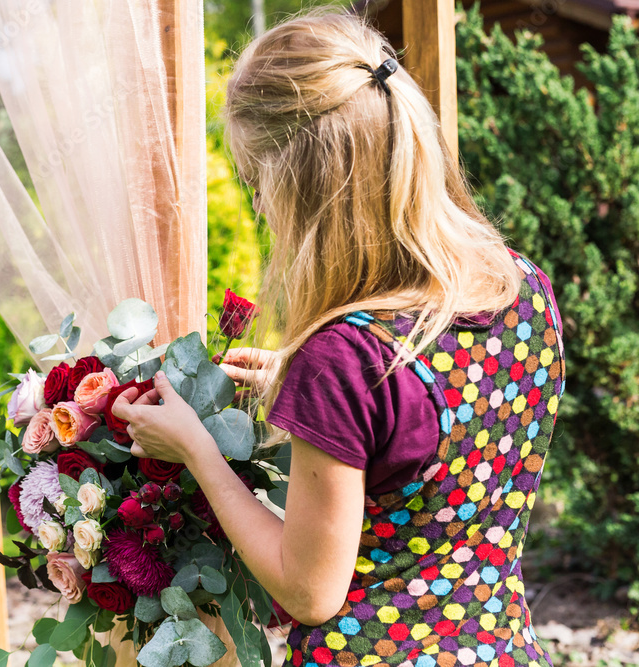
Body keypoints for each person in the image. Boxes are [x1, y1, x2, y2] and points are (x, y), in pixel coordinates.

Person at [112, 7, 565, 667]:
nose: (261, 208)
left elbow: (309, 587)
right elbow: (442, 447)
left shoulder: (345, 357)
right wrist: (315, 400)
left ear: (307, 183)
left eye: (259, 181)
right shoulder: (523, 285)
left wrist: (197, 452)